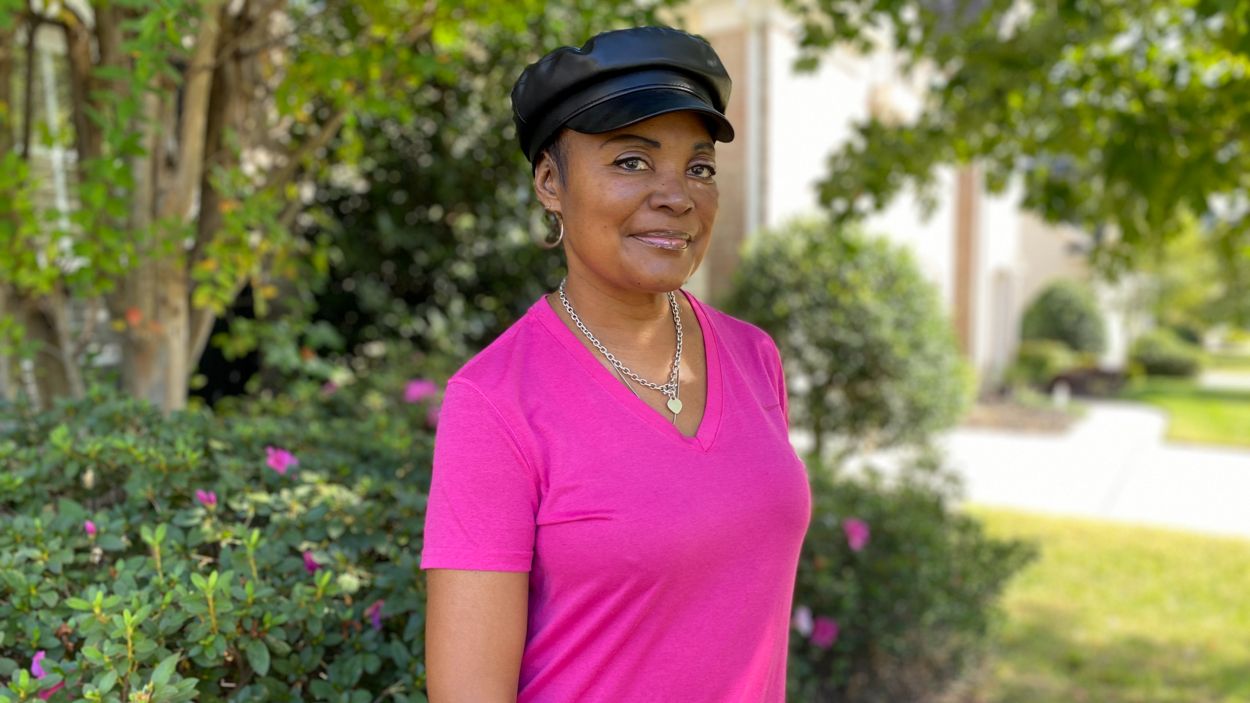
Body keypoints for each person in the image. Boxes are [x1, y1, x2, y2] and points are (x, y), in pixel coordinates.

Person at [421, 26, 812, 702]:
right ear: (551, 182)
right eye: (632, 161)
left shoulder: (755, 358)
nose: (677, 196)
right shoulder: (494, 401)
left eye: (699, 168)